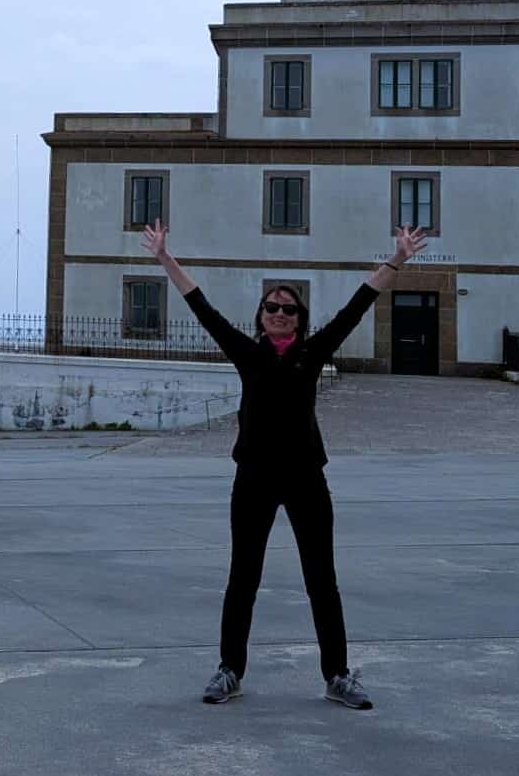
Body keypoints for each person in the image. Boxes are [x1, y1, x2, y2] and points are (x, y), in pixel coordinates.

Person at [140, 218, 428, 710]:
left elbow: (358, 305)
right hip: (252, 477)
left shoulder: (312, 354)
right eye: (271, 307)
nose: (278, 313)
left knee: (322, 579)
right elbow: (201, 308)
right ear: (261, 315)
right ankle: (230, 669)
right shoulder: (248, 354)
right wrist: (165, 259)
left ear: (299, 319)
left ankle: (337, 675)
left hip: (305, 478)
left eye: (287, 309)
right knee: (243, 577)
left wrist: (398, 258)